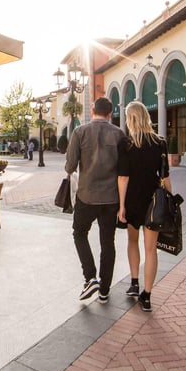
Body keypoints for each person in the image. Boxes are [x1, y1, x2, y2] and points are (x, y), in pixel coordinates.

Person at [64, 97, 127, 304]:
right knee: (107, 242)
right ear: (110, 114)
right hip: (111, 198)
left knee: (79, 233)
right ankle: (104, 291)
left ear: (93, 111)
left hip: (87, 196)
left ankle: (90, 277)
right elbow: (124, 170)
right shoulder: (119, 134)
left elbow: (70, 166)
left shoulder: (79, 132)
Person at [117, 101, 173, 312]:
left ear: (130, 119)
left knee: (132, 240)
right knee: (151, 250)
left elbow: (123, 177)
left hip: (132, 199)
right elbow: (165, 176)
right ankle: (147, 296)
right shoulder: (160, 142)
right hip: (154, 200)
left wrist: (121, 205)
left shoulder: (126, 144)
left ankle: (134, 282)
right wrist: (170, 199)